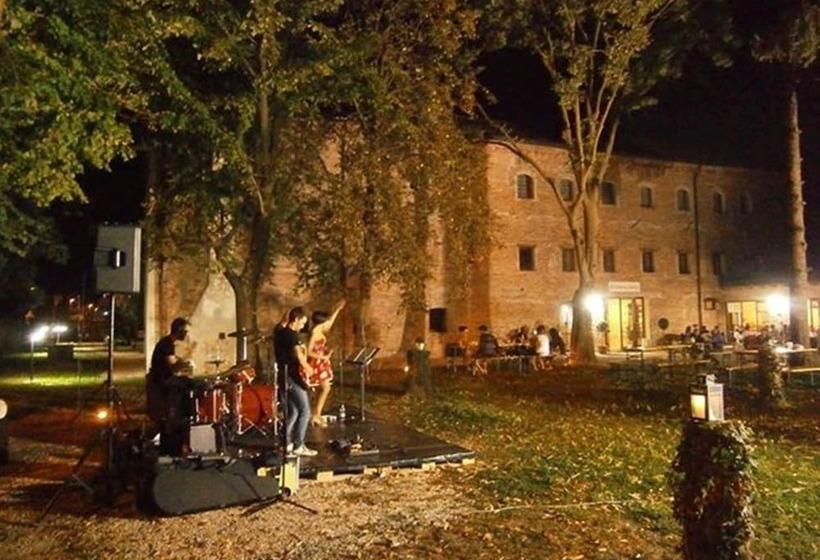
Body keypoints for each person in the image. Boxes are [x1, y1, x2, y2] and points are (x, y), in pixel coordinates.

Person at [146, 317, 202, 455]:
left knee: (188, 382)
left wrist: (181, 361)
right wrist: (187, 363)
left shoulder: (167, 343)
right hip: (162, 381)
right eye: (186, 331)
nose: (187, 335)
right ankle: (189, 415)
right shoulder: (167, 344)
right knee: (195, 384)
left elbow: (172, 360)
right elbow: (173, 368)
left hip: (163, 378)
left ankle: (186, 415)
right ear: (179, 331)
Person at [273, 307, 317, 457]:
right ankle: (299, 445)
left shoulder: (279, 332)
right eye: (302, 322)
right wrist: (308, 368)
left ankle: (286, 444)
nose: (303, 326)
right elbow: (299, 355)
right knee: (305, 411)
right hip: (292, 376)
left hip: (282, 376)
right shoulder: (292, 336)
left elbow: (281, 322)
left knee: (293, 411)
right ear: (296, 320)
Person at [305, 300, 345, 426]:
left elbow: (329, 323)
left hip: (321, 362)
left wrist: (337, 310)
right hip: (317, 363)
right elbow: (308, 351)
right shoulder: (315, 332)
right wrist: (323, 357)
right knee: (325, 388)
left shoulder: (320, 328)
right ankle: (316, 414)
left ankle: (316, 413)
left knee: (323, 388)